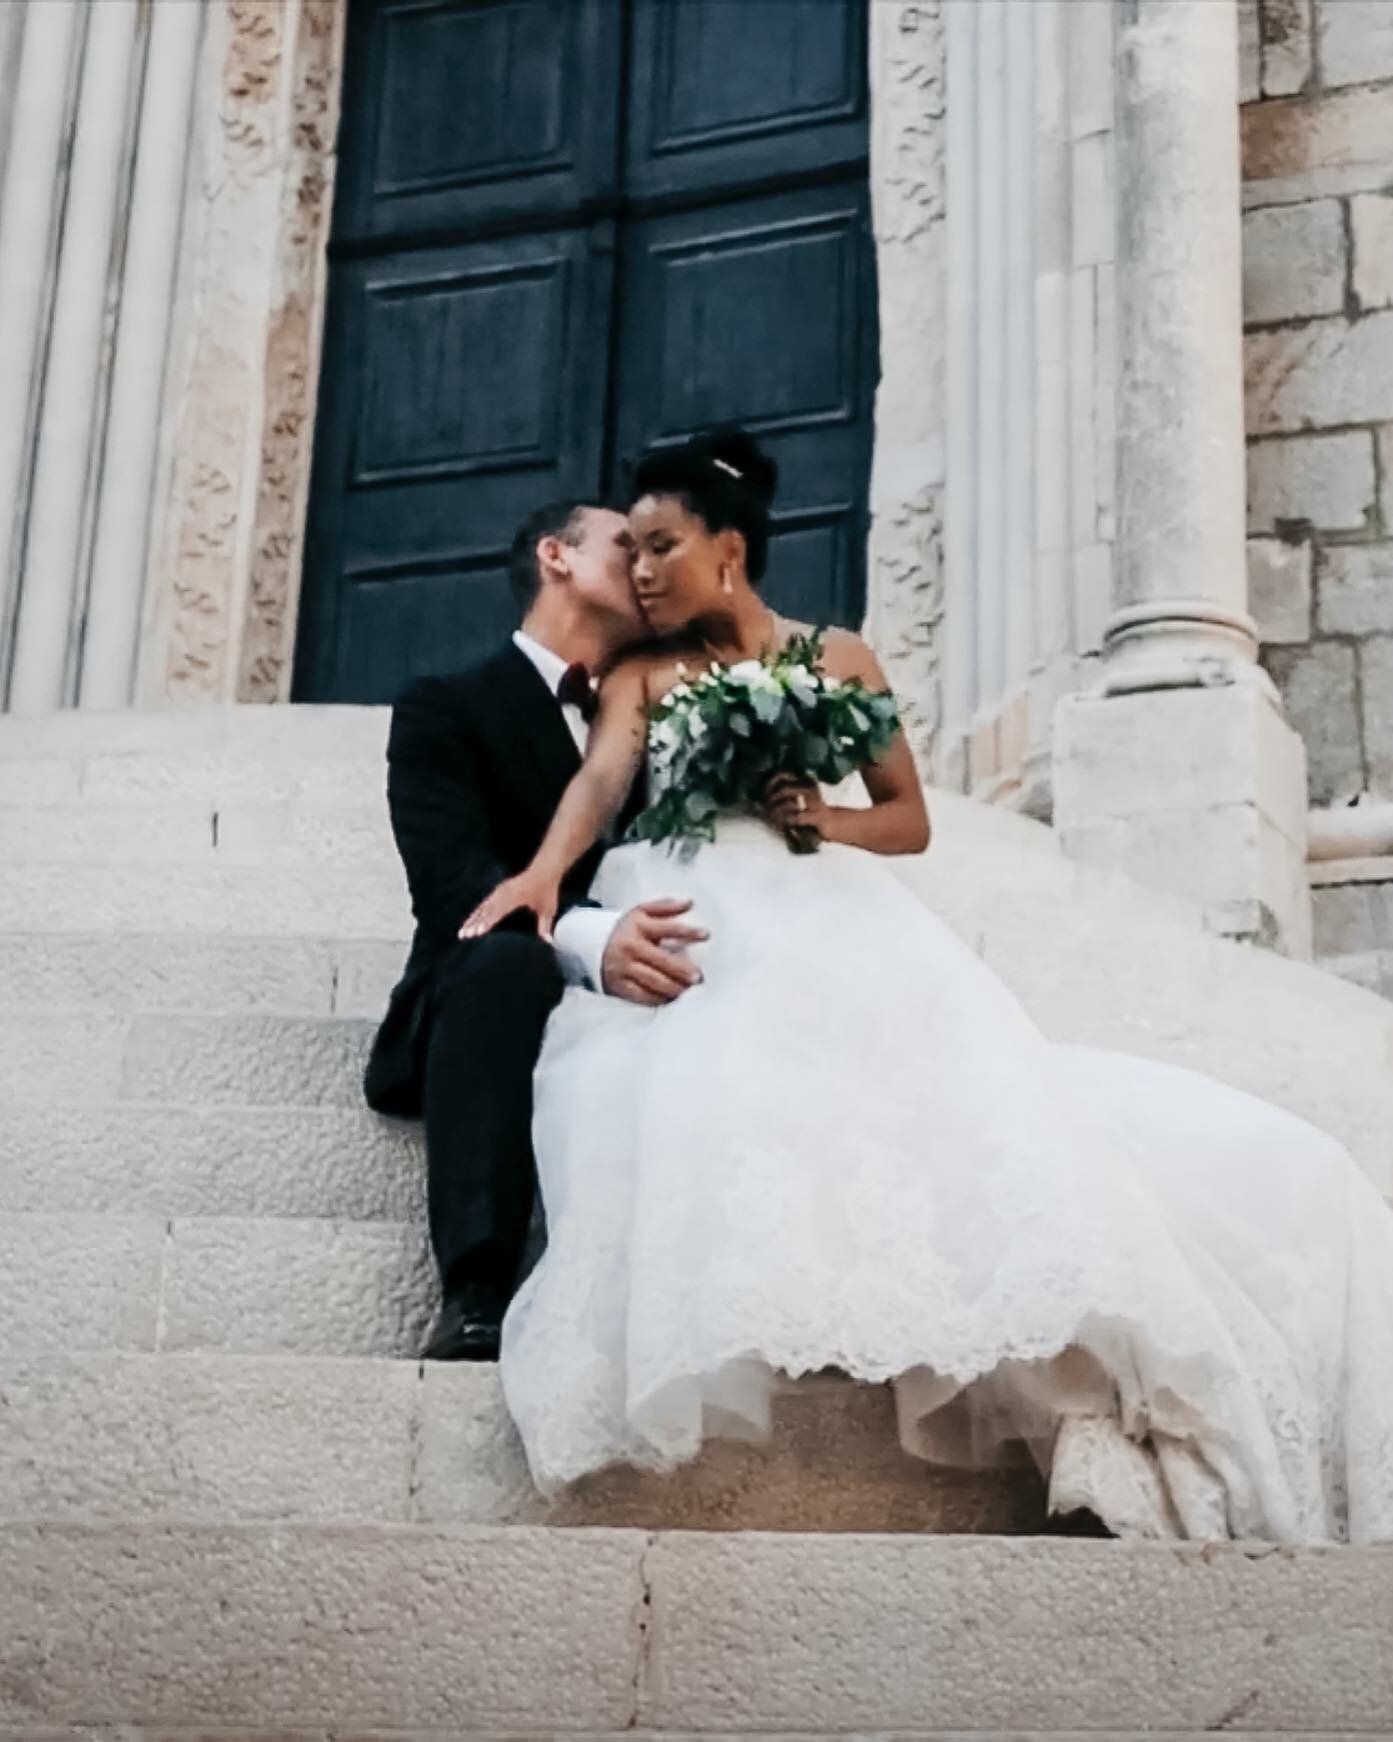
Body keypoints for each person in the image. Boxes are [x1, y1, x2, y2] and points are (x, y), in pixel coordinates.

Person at [460, 427, 1393, 1544]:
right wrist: (544, 874)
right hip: (687, 894)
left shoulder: (839, 657)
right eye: (631, 551)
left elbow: (906, 817)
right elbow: (605, 773)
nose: (642, 572)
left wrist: (821, 815)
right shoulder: (642, 671)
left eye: (660, 547)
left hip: (816, 893)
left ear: (730, 551)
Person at [365, 499, 707, 1362]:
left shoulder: (678, 715)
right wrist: (595, 941)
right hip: (501, 981)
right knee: (502, 966)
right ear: (554, 556)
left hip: (665, 972)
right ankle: (475, 1293)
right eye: (624, 546)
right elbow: (456, 892)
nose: (644, 568)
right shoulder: (445, 706)